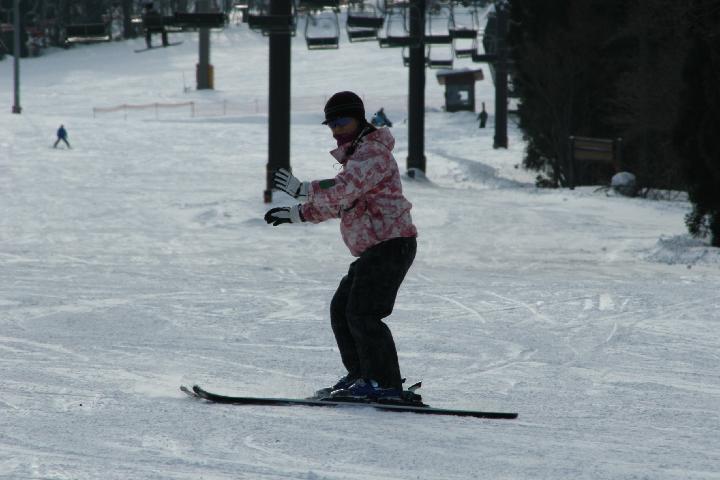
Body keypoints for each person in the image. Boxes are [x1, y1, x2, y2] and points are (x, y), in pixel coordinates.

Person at [264, 91, 418, 401]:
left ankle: (383, 383)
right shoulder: (356, 157)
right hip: (376, 249)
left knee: (363, 312)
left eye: (342, 122)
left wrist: (303, 189)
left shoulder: (373, 153)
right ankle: (362, 374)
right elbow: (343, 203)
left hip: (392, 244)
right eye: (331, 125)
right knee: (342, 308)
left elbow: (346, 188)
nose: (336, 130)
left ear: (359, 119)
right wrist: (298, 214)